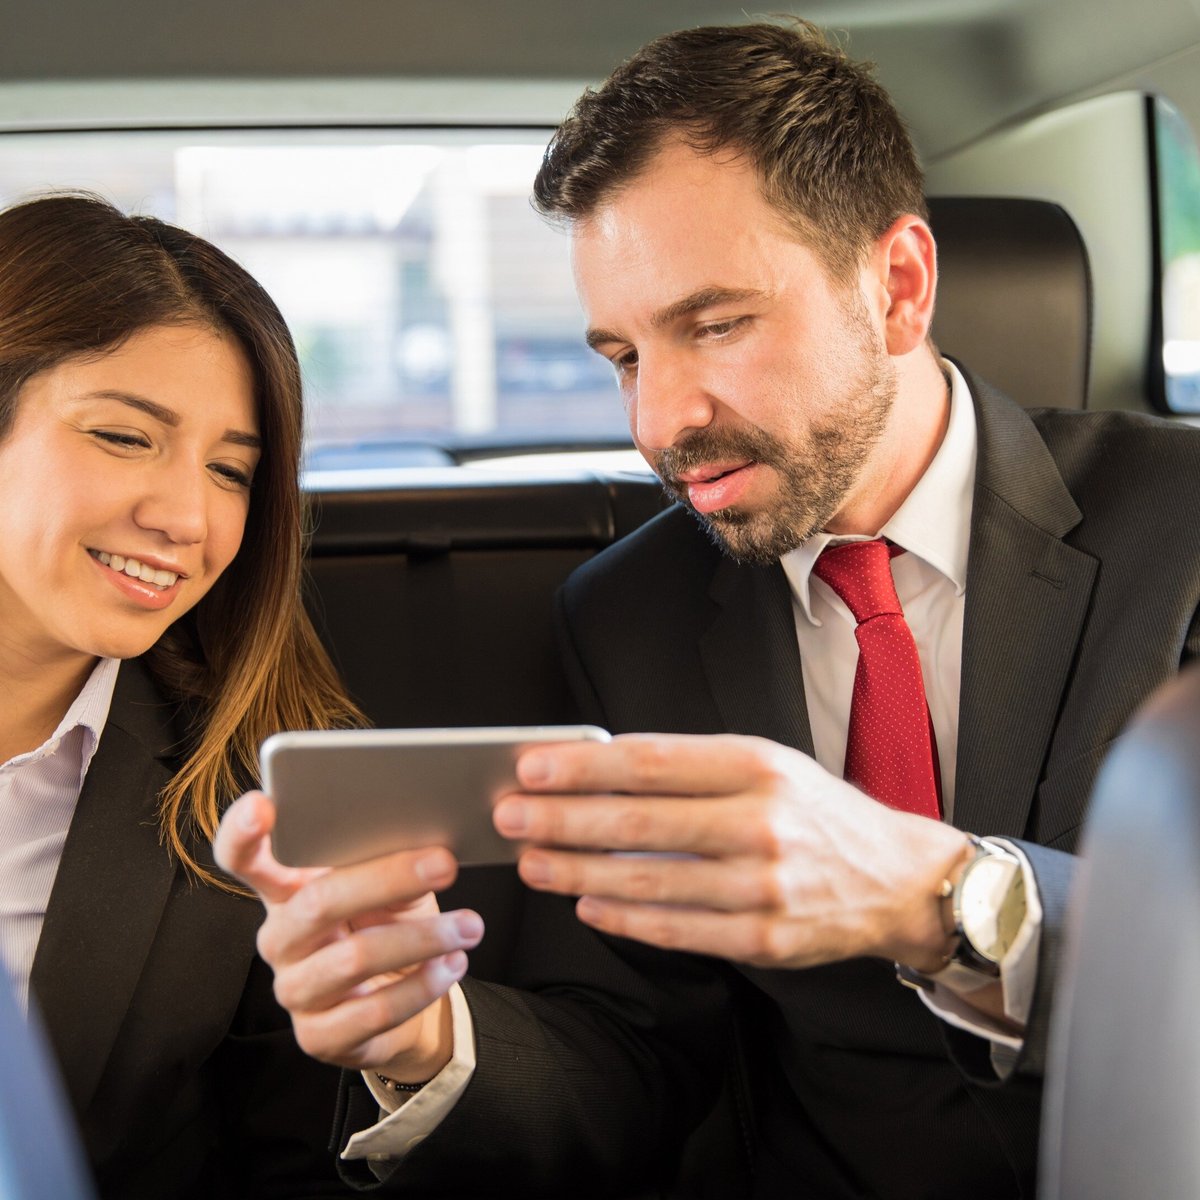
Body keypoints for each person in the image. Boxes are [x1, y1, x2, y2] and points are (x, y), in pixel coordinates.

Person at [215, 20, 1200, 1199]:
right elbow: (643, 1058)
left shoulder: (1181, 526)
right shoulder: (627, 616)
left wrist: (938, 896)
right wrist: (427, 1042)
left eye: (716, 323)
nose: (657, 425)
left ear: (898, 288)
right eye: (622, 355)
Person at [0, 193, 372, 1199]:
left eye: (230, 471)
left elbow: (290, 1164)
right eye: (124, 437)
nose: (185, 518)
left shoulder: (260, 797)